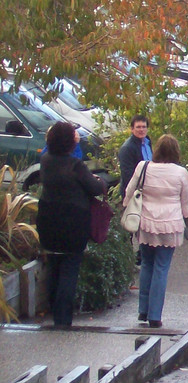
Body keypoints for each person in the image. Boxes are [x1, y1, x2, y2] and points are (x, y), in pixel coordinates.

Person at [36, 122, 107, 327]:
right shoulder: (76, 165)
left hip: (48, 220)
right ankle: (63, 319)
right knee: (69, 269)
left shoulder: (46, 160)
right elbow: (94, 187)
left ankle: (52, 309)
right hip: (73, 224)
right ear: (68, 141)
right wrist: (99, 181)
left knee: (54, 267)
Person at [127, 134, 188, 328]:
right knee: (161, 267)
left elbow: (130, 191)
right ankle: (155, 315)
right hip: (170, 224)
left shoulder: (143, 167)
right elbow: (186, 203)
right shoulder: (180, 173)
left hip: (146, 222)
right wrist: (186, 214)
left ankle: (143, 310)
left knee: (146, 264)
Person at [118, 115, 152, 193]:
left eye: (144, 127)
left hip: (149, 187)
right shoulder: (127, 148)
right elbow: (127, 175)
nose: (141, 130)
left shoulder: (147, 142)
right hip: (135, 191)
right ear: (132, 129)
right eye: (138, 127)